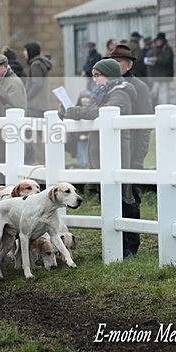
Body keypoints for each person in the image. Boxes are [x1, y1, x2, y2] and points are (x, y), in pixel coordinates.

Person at [60, 59, 138, 242]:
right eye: (93, 75)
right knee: (110, 198)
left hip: (116, 151)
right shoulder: (102, 92)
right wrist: (66, 109)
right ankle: (114, 240)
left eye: (98, 75)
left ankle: (128, 244)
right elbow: (88, 110)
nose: (95, 80)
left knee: (124, 198)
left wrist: (74, 111)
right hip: (103, 151)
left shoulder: (121, 93)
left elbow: (99, 112)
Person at [106, 44, 154, 257]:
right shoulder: (109, 85)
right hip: (113, 150)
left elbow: (144, 123)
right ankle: (116, 241)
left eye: (118, 63)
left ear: (128, 65)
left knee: (130, 198)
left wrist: (138, 156)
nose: (114, 66)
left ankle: (131, 245)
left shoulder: (139, 87)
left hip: (131, 149)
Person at [23, 41, 52, 163]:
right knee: (41, 134)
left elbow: (37, 83)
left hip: (35, 105)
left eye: (25, 50)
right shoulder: (41, 64)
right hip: (42, 104)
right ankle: (43, 160)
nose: (23, 53)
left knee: (36, 135)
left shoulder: (35, 65)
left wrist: (27, 96)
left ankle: (39, 161)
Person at [146, 32, 174, 105]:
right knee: (154, 93)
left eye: (160, 41)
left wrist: (156, 59)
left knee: (164, 93)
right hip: (156, 76)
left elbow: (166, 60)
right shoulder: (154, 50)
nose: (158, 42)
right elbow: (148, 58)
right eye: (157, 41)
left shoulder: (167, 49)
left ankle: (165, 107)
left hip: (165, 75)